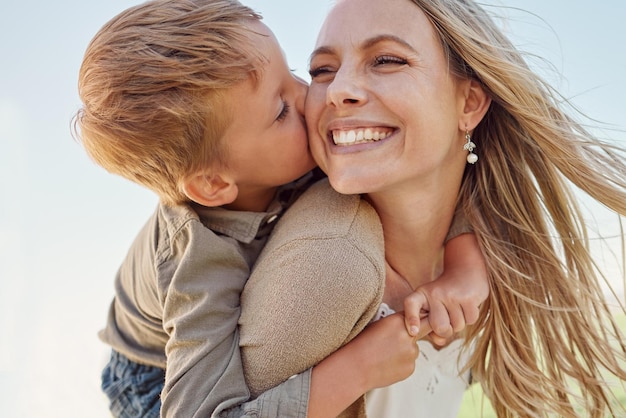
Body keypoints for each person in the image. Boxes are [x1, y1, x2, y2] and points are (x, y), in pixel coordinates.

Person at [71, 0, 489, 417]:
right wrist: (355, 370)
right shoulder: (198, 256)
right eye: (282, 109)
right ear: (214, 184)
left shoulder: (269, 157)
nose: (310, 100)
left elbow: (434, 180)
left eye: (295, 75)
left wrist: (465, 265)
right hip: (152, 379)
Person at [237, 0, 626, 417]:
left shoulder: (479, 256)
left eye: (386, 60)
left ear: (470, 104)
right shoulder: (325, 267)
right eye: (322, 70)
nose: (336, 90)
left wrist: (470, 260)